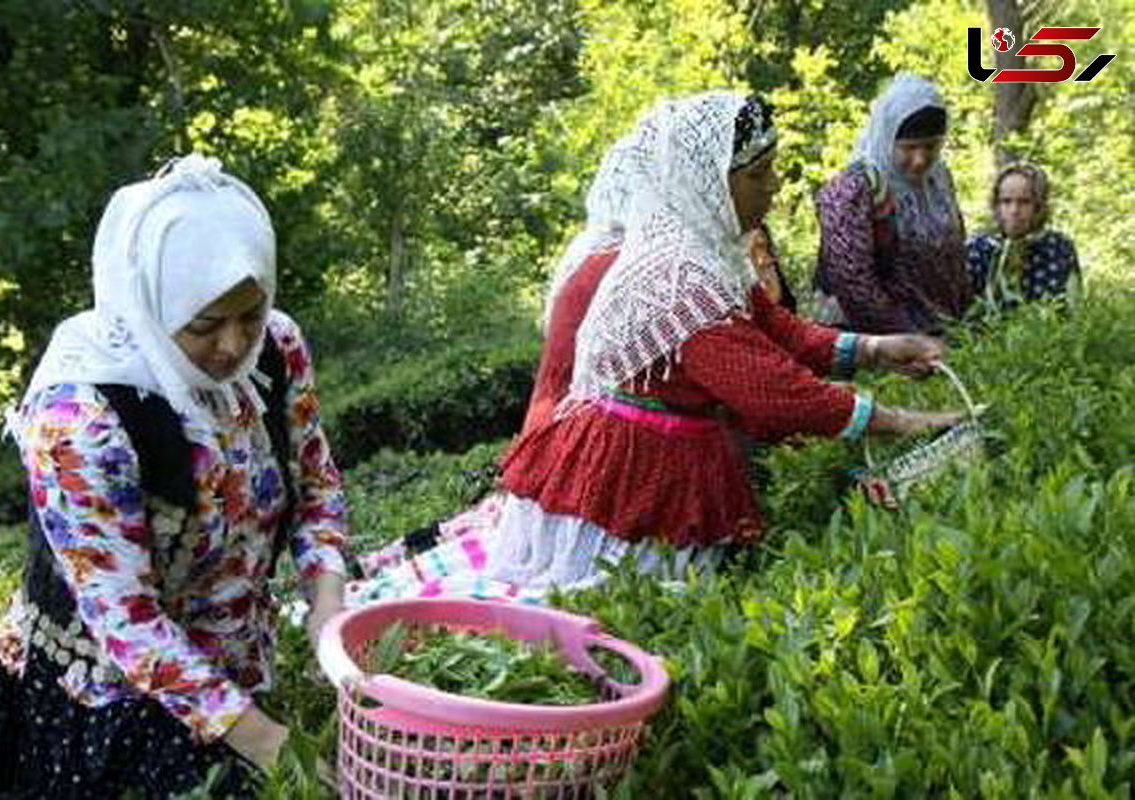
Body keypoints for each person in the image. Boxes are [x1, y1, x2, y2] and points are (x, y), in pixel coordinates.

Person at [346, 92, 962, 605]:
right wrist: (901, 422)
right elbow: (775, 393)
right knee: (594, 606)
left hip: (663, 456)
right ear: (707, 182)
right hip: (626, 474)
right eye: (756, 175)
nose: (773, 188)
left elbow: (782, 332)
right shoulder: (677, 275)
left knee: (635, 605)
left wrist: (879, 348)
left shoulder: (708, 252)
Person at [0, 155, 347, 799]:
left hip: (233, 668)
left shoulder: (278, 347)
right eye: (204, 325)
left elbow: (316, 482)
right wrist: (268, 742)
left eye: (251, 312)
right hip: (106, 696)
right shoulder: (80, 418)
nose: (234, 345)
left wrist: (327, 604)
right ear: (148, 300)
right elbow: (126, 620)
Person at [813, 73, 972, 333]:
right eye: (909, 148)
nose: (920, 159)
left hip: (938, 334)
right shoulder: (855, 188)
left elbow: (954, 256)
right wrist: (905, 337)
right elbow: (852, 281)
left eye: (930, 147)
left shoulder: (938, 182)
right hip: (868, 341)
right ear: (887, 140)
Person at [966, 161, 1080, 310]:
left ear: (1039, 205)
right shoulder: (978, 248)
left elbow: (1072, 304)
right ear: (996, 205)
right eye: (1006, 202)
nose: (1014, 210)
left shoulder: (1058, 247)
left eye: (1024, 202)